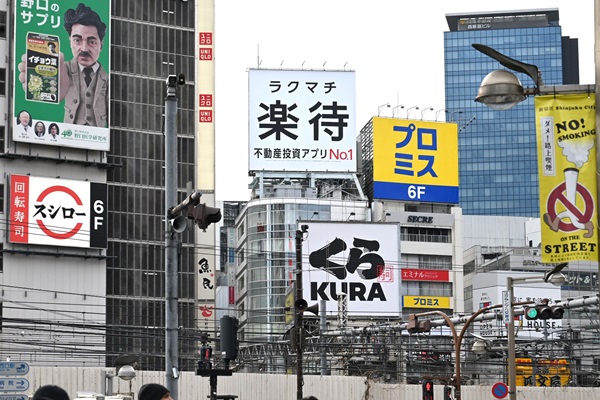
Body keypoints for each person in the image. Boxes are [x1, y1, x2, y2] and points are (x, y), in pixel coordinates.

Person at [59, 3, 108, 127]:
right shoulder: (63, 69)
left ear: (101, 44)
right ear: (70, 40)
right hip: (69, 135)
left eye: (92, 42)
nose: (84, 48)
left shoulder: (107, 78)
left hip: (98, 139)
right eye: (77, 40)